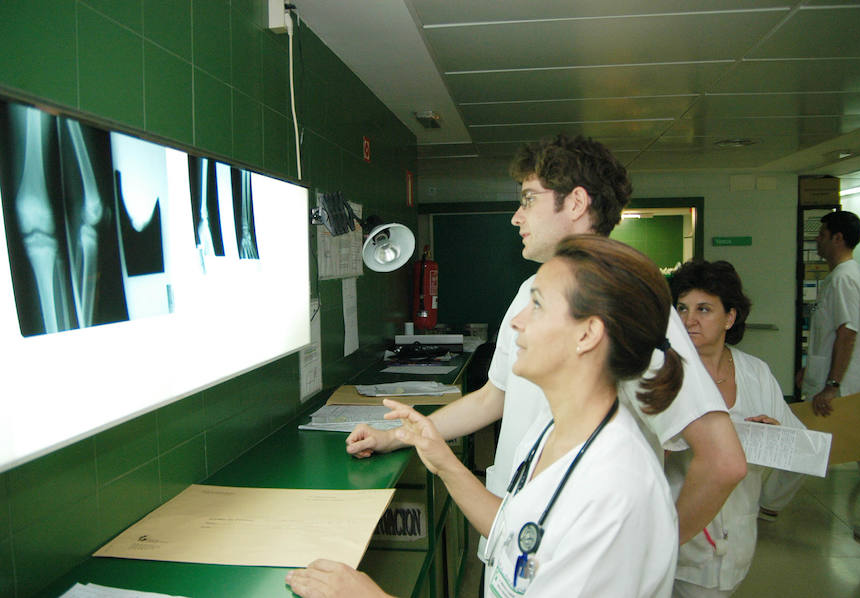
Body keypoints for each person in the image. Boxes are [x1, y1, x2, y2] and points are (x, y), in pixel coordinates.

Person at [346, 135, 746, 554]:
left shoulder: (626, 303)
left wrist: (650, 554)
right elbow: (493, 398)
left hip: (577, 560)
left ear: (575, 203)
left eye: (529, 200)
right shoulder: (529, 290)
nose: (516, 218)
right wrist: (396, 436)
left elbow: (723, 461)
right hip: (510, 536)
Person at [287, 235, 682, 597]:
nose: (516, 321)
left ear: (587, 334)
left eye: (538, 304)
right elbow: (514, 530)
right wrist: (442, 459)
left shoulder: (616, 491)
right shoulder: (552, 431)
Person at [668, 259, 808, 597]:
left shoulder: (755, 373)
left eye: (704, 309)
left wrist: (772, 436)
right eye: (682, 308)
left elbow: (799, 449)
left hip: (738, 537)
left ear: (730, 317)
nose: (689, 320)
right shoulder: (665, 375)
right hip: (680, 537)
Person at [800, 210, 860, 548]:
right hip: (853, 380)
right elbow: (832, 335)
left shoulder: (845, 277)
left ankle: (768, 503)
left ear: (838, 238)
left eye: (823, 234)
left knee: (809, 442)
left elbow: (847, 333)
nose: (818, 240)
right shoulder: (849, 275)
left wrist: (831, 384)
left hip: (847, 384)